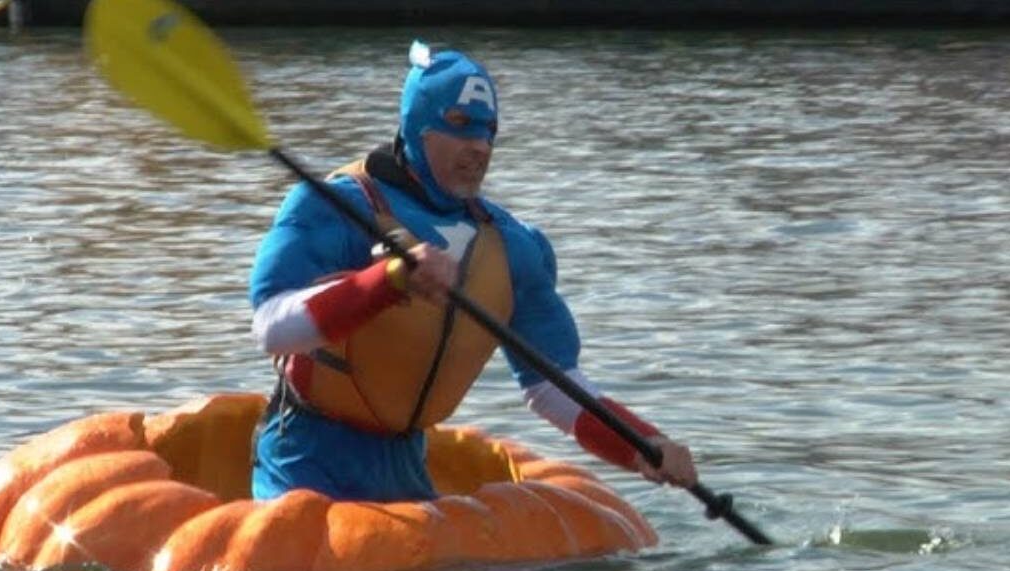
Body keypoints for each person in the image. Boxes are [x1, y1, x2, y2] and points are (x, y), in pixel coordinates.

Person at [248, 41, 698, 503]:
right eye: (461, 126)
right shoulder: (335, 207)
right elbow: (271, 327)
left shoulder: (513, 246)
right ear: (417, 126)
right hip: (303, 467)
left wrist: (643, 445)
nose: (479, 147)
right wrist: (387, 281)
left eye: (489, 132)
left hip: (405, 472)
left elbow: (552, 385)